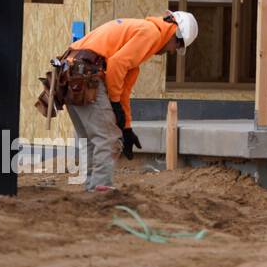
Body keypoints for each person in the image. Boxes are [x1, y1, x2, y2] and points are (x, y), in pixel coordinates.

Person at [63, 12, 198, 191]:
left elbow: (124, 89)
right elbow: (116, 66)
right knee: (109, 139)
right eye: (178, 45)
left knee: (92, 138)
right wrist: (115, 104)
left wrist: (126, 128)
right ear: (175, 33)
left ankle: (92, 189)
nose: (173, 51)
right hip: (85, 74)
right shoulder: (151, 33)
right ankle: (100, 190)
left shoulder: (138, 33)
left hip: (68, 73)